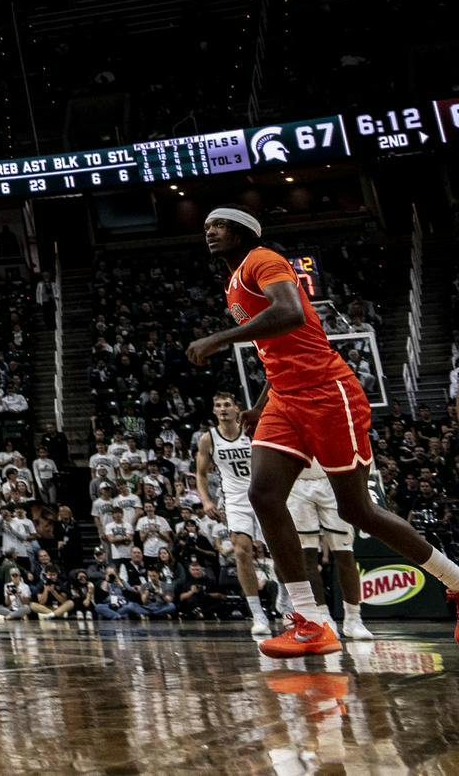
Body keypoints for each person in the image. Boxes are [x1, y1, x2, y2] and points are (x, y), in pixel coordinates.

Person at [185, 208, 459, 654]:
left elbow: (291, 313)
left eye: (218, 226)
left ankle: (456, 581)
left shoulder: (262, 259)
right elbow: (276, 350)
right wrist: (259, 406)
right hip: (285, 398)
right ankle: (311, 621)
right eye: (206, 227)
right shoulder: (233, 281)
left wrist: (218, 338)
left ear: (242, 232)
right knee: (263, 495)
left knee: (358, 510)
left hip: (328, 393)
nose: (209, 232)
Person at [192, 390, 275, 637]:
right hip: (235, 499)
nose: (223, 409)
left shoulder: (251, 430)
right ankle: (257, 614)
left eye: (227, 404)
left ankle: (285, 598)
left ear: (237, 408)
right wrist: (206, 501)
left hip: (263, 493)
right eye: (218, 405)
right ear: (214, 411)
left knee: (279, 554)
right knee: (240, 551)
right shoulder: (208, 439)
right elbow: (200, 474)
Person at [288, 462, 372, 641]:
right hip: (296, 482)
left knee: (345, 554)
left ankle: (353, 619)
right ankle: (322, 617)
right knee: (307, 556)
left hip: (332, 479)